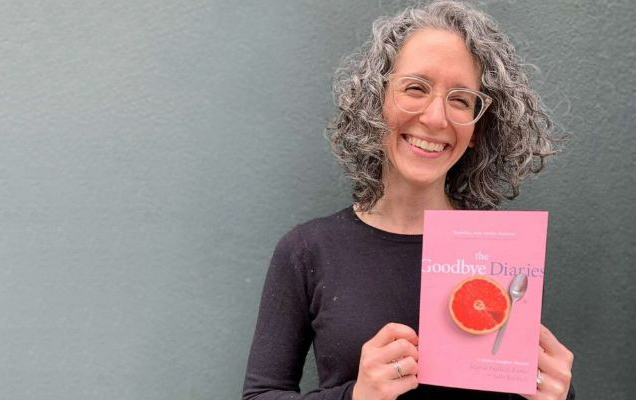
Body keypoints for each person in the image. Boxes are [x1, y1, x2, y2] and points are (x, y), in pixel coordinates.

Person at [242, 1, 575, 400]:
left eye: (460, 99)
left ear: (478, 126)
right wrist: (354, 396)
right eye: (415, 88)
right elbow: (260, 394)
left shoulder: (502, 253)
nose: (436, 118)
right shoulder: (307, 251)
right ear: (375, 99)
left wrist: (558, 394)